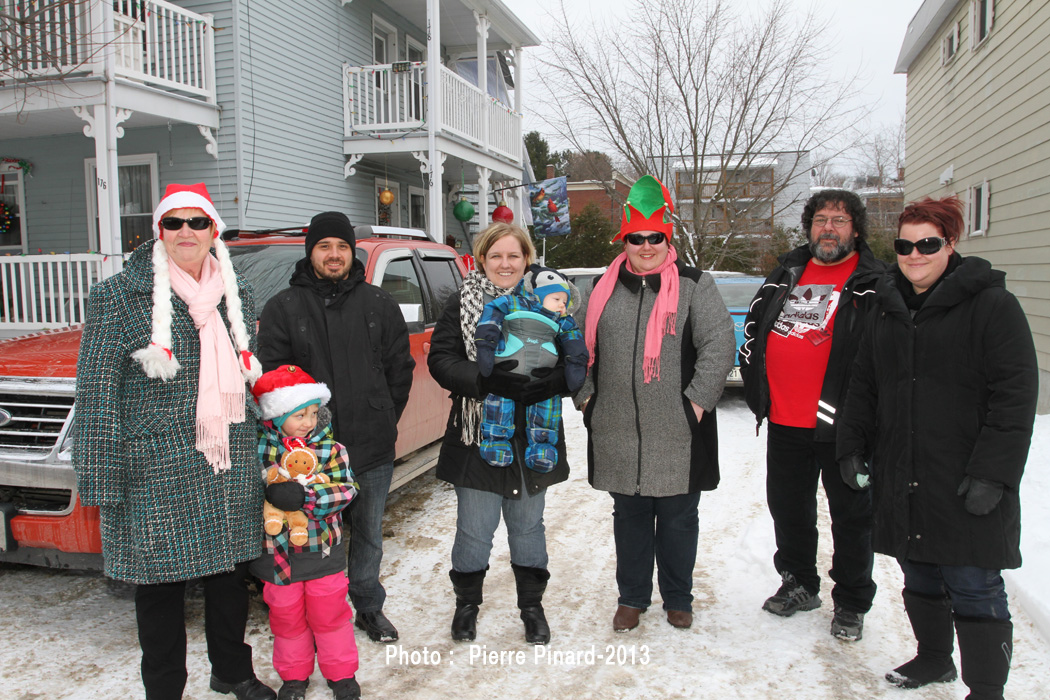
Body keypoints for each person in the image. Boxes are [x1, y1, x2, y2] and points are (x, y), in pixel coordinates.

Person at [74, 183, 275, 700]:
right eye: (174, 223)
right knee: (159, 588)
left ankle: (232, 670)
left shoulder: (238, 291)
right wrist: (101, 477)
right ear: (158, 231)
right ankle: (164, 688)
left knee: (229, 578)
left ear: (214, 231)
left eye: (198, 222)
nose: (186, 232)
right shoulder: (117, 296)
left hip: (225, 462)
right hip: (154, 470)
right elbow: (96, 392)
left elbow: (246, 378)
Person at [837, 195, 1037, 699]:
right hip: (903, 471)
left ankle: (987, 688)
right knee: (919, 573)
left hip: (965, 475)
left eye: (927, 243)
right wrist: (852, 446)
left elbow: (1014, 397)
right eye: (904, 245)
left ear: (951, 244)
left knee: (974, 584)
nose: (914, 254)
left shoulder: (992, 305)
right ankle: (933, 658)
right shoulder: (887, 307)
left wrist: (994, 474)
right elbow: (863, 385)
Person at [574, 175, 735, 633]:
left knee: (679, 520)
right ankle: (632, 598)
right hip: (617, 428)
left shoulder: (694, 286)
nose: (646, 246)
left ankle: (678, 598)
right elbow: (580, 350)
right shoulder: (601, 290)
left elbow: (719, 345)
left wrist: (695, 405)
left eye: (655, 238)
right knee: (629, 518)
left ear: (668, 239)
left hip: (678, 430)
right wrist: (586, 399)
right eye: (636, 238)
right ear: (624, 240)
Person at [257, 212, 414, 644]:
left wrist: (382, 414)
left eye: (342, 247)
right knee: (307, 533)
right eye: (325, 246)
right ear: (311, 252)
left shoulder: (379, 304)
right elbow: (272, 379)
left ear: (352, 252)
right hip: (306, 453)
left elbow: (400, 370)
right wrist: (297, 434)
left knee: (367, 532)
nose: (334, 255)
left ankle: (368, 606)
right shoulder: (283, 308)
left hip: (371, 445)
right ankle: (313, 610)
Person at [738, 188, 885, 641]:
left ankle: (852, 602)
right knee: (790, 509)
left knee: (851, 517)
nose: (829, 228)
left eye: (839, 220)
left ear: (855, 229)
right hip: (785, 421)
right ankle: (800, 583)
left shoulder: (875, 281)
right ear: (809, 226)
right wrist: (757, 387)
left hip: (843, 427)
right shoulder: (788, 272)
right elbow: (755, 329)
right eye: (821, 219)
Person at [428, 223, 573, 645]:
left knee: (528, 527)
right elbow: (442, 359)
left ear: (526, 259)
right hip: (478, 434)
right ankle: (466, 607)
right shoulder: (463, 303)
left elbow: (577, 356)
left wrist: (554, 383)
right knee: (474, 528)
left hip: (535, 434)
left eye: (513, 256)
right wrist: (484, 381)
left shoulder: (552, 302)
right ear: (482, 260)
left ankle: (532, 608)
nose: (505, 264)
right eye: (496, 256)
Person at [249, 365, 361, 700]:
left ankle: (341, 674)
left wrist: (308, 497)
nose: (309, 422)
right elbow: (244, 493)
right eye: (300, 415)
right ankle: (294, 677)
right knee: (286, 619)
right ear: (276, 415)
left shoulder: (330, 450)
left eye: (313, 413)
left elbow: (347, 489)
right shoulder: (259, 451)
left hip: (321, 551)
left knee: (330, 616)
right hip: (277, 556)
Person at [474, 265, 588, 472]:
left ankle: (542, 448)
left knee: (546, 408)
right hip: (506, 368)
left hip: (543, 375)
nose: (562, 307)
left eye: (564, 302)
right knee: (499, 404)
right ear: (536, 294)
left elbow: (575, 343)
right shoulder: (513, 303)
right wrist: (486, 344)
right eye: (556, 300)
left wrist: (572, 369)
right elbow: (492, 316)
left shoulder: (563, 320)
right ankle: (496, 442)